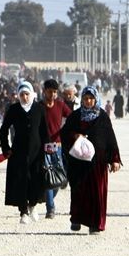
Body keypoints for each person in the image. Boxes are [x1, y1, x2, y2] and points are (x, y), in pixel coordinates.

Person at [60, 86, 121, 234]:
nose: (88, 101)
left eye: (91, 98)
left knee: (96, 193)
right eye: (86, 99)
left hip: (97, 164)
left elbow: (110, 139)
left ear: (95, 99)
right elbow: (64, 133)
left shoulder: (103, 117)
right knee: (78, 190)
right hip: (78, 162)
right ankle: (76, 219)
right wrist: (75, 136)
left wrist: (114, 159)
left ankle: (95, 224)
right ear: (81, 99)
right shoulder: (75, 116)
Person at [0, 80, 49, 224]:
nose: (24, 97)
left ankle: (32, 205)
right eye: (22, 95)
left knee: (35, 180)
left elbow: (44, 131)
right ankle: (23, 212)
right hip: (18, 152)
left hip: (37, 152)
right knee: (21, 181)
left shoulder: (39, 109)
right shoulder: (14, 109)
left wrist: (48, 148)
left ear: (32, 94)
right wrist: (5, 147)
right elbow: (4, 129)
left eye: (27, 94)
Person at [40, 79, 72, 219]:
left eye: (54, 92)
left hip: (57, 146)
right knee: (48, 178)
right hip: (43, 147)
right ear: (44, 91)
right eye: (49, 91)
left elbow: (71, 117)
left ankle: (49, 198)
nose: (52, 94)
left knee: (59, 179)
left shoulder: (60, 104)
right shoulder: (39, 107)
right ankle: (50, 208)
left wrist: (65, 131)